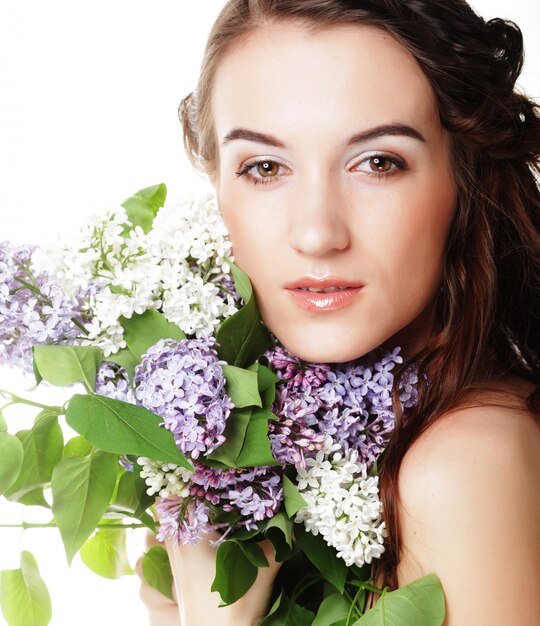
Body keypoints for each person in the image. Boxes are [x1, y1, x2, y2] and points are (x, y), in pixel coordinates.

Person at [136, 1, 540, 623]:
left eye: (378, 163)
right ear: (217, 183)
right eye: (266, 167)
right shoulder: (266, 449)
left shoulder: (462, 463)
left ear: (461, 179)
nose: (318, 233)